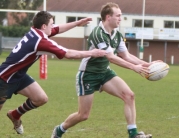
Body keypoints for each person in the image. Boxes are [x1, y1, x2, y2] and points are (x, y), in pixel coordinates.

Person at [51, 2, 153, 138]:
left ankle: (133, 134)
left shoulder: (117, 34)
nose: (120, 18)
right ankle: (59, 129)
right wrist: (134, 68)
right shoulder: (98, 33)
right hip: (88, 74)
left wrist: (147, 65)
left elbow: (126, 55)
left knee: (129, 95)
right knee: (83, 115)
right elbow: (111, 57)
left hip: (105, 73)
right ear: (108, 17)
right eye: (118, 16)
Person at [0, 11, 107, 134]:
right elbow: (68, 53)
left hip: (19, 76)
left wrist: (78, 23)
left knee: (41, 98)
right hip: (4, 78)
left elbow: (58, 29)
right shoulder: (40, 40)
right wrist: (92, 53)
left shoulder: (36, 31)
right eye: (51, 24)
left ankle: (15, 114)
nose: (53, 26)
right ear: (44, 26)